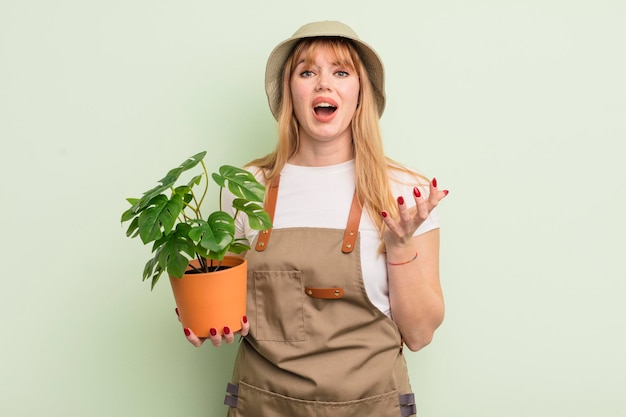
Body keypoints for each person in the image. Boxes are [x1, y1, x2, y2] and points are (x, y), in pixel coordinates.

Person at [181, 20, 448, 417]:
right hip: (263, 406)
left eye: (341, 72)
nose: (324, 84)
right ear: (291, 92)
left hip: (371, 408)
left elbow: (420, 334)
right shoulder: (245, 186)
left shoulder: (406, 192)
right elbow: (228, 302)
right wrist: (207, 318)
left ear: (361, 93)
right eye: (308, 72)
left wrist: (400, 245)